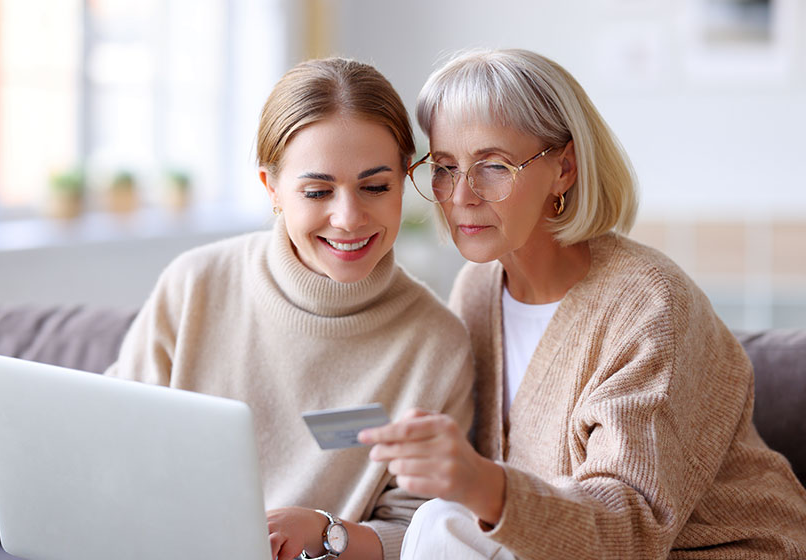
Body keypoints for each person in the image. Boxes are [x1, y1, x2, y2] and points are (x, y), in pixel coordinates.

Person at [359, 48, 806, 559]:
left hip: (720, 551)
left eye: (494, 166)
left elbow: (633, 528)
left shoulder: (651, 305)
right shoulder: (477, 291)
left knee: (443, 523)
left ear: (564, 169)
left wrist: (482, 484)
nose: (461, 195)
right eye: (444, 167)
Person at [105, 57, 474, 560]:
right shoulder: (194, 285)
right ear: (272, 189)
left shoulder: (437, 343)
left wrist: (326, 533)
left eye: (375, 187)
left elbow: (420, 531)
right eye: (318, 191)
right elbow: (115, 445)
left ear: (406, 180)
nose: (348, 218)